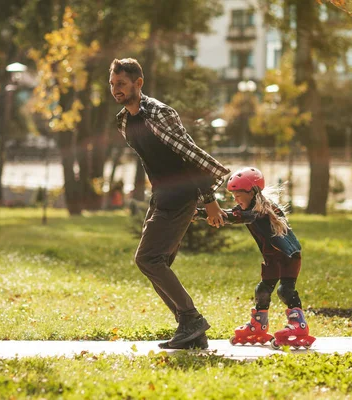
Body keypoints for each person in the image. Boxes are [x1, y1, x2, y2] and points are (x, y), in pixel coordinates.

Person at [109, 58, 231, 350]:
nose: (116, 90)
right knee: (158, 263)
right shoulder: (124, 120)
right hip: (162, 197)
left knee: (147, 259)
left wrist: (209, 200)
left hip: (181, 196)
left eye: (122, 84)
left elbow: (189, 156)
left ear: (138, 83)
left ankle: (191, 319)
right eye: (113, 84)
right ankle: (192, 333)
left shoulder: (160, 113)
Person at [195, 167, 315, 349]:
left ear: (252, 192)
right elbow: (229, 213)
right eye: (233, 195)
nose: (235, 199)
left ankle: (299, 326)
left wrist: (209, 214)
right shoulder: (249, 207)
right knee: (262, 290)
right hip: (272, 258)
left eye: (238, 195)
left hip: (288, 257)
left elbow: (238, 217)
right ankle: (259, 325)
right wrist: (201, 213)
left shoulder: (261, 210)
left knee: (285, 290)